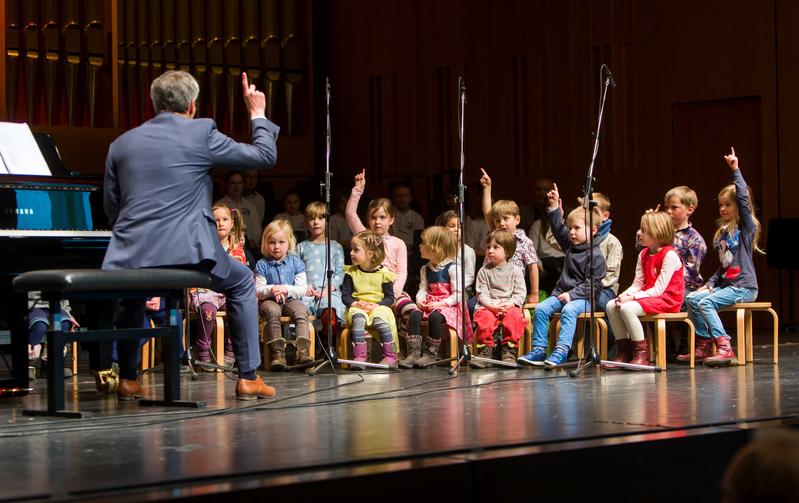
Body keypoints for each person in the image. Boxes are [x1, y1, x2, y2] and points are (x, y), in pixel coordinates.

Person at [102, 70, 278, 400]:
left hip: (134, 252)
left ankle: (127, 377)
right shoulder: (201, 132)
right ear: (193, 106)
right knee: (241, 282)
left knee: (131, 294)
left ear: (153, 104)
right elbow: (264, 156)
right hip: (191, 252)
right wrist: (257, 113)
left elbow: (111, 207)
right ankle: (248, 377)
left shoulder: (121, 143)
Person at [680, 147, 763, 367]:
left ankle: (724, 345)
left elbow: (744, 199)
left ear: (739, 207)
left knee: (706, 304)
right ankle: (705, 342)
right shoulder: (723, 233)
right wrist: (708, 284)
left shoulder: (745, 229)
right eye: (721, 205)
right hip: (727, 286)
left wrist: (735, 170)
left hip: (744, 288)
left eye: (728, 204)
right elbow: (722, 268)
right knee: (693, 298)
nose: (723, 208)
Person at [518, 183, 606, 367]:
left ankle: (561, 351)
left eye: (577, 228)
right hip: (563, 294)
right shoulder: (571, 246)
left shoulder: (595, 255)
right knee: (541, 308)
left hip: (585, 299)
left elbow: (593, 285)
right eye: (571, 228)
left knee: (569, 310)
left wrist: (572, 295)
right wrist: (553, 207)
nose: (571, 232)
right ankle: (539, 349)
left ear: (593, 230)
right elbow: (559, 230)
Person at [603, 211, 685, 369]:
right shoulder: (643, 254)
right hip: (649, 296)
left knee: (627, 308)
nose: (639, 233)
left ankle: (641, 354)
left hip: (667, 299)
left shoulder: (670, 255)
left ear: (659, 233)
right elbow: (638, 283)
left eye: (644, 230)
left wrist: (632, 299)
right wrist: (625, 294)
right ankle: (623, 353)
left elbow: (659, 290)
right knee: (611, 305)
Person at [346, 169, 417, 320]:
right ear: (367, 219)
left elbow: (402, 272)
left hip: (391, 293)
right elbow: (351, 214)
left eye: (382, 217)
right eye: (373, 217)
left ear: (391, 219)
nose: (377, 222)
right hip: (368, 293)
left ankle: (409, 341)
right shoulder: (365, 236)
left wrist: (393, 296)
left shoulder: (399, 243)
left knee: (412, 311)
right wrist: (358, 189)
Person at [401, 226, 471, 368]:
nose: (419, 246)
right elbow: (423, 289)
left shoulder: (452, 268)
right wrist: (420, 301)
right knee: (414, 315)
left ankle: (431, 353)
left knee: (435, 317)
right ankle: (413, 353)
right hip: (430, 304)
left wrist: (442, 304)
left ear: (435, 248)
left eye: (423, 244)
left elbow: (458, 294)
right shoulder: (425, 269)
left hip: (449, 306)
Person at [189, 204, 247, 369]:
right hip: (206, 292)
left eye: (224, 219)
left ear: (231, 224)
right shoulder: (202, 249)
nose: (220, 223)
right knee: (208, 311)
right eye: (216, 221)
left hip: (227, 293)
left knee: (238, 308)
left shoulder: (237, 251)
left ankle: (231, 348)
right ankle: (203, 349)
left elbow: (239, 277)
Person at [255, 220, 312, 371]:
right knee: (273, 311)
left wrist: (286, 289)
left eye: (281, 242)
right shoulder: (262, 264)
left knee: (301, 311)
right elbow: (258, 290)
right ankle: (278, 354)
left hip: (291, 299)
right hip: (269, 301)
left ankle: (303, 353)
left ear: (289, 243)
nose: (277, 246)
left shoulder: (296, 263)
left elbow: (301, 289)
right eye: (272, 242)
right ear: (265, 243)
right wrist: (272, 288)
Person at [479, 168, 540, 305]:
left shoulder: (525, 241)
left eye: (506, 219)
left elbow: (532, 267)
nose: (502, 223)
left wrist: (534, 293)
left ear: (517, 220)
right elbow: (487, 212)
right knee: (472, 306)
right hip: (490, 291)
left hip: (512, 293)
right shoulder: (494, 234)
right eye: (498, 220)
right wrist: (487, 188)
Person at [341, 231, 399, 368]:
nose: (351, 253)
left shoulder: (384, 274)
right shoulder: (351, 272)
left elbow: (390, 297)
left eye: (356, 250)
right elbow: (345, 296)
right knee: (358, 318)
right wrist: (356, 303)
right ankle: (360, 356)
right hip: (357, 306)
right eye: (351, 249)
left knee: (381, 319)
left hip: (378, 307)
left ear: (370, 254)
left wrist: (376, 305)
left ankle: (390, 356)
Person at [471, 229, 528, 366]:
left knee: (514, 317)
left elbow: (520, 293)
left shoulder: (515, 271)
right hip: (488, 306)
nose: (490, 250)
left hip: (508, 305)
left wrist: (509, 305)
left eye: (496, 247)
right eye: (488, 247)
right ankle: (485, 351)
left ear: (507, 252)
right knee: (485, 318)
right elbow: (481, 293)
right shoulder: (484, 271)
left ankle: (509, 352)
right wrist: (492, 307)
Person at [296, 202, 346, 342]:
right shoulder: (300, 247)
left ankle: (326, 342)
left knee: (330, 309)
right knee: (300, 310)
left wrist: (329, 289)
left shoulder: (335, 247)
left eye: (321, 218)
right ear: (306, 222)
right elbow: (295, 271)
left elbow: (340, 272)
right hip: (306, 291)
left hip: (329, 291)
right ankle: (307, 345)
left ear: (327, 221)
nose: (316, 222)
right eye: (312, 218)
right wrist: (304, 286)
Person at [26, 293, 78, 380]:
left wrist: (68, 314)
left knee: (63, 324)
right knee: (40, 325)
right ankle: (29, 364)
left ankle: (50, 364)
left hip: (55, 306)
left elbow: (63, 295)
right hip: (31, 306)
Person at [216, 170, 261, 254]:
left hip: (248, 248)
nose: (236, 186)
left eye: (239, 183)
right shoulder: (219, 205)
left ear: (243, 185)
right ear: (227, 185)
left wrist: (252, 242)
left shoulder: (250, 206)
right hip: (224, 248)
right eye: (233, 183)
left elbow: (257, 229)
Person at [436, 210, 476, 296]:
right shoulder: (438, 250)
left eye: (460, 226)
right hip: (440, 289)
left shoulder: (468, 251)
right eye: (451, 226)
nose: (456, 230)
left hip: (461, 291)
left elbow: (469, 277)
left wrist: (454, 287)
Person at [389, 180, 425, 249]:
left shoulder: (417, 217)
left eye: (406, 195)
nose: (403, 199)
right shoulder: (388, 216)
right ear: (393, 198)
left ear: (410, 197)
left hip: (412, 251)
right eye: (399, 196)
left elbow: (420, 239)